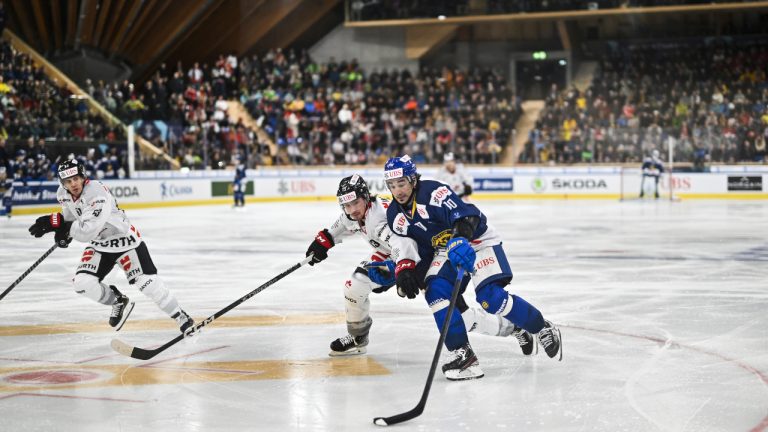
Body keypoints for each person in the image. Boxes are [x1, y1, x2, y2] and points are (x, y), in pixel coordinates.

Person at [384, 155, 562, 381]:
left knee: (490, 298)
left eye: (401, 184)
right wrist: (410, 272)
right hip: (447, 250)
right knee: (435, 291)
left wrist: (460, 237)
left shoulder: (433, 192)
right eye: (392, 186)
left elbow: (468, 216)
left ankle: (542, 326)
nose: (397, 190)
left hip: (477, 241)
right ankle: (464, 356)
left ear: (412, 180)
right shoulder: (394, 216)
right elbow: (421, 248)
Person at [306, 174, 526, 357]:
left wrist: (403, 268)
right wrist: (323, 241)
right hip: (394, 258)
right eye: (346, 205)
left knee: (462, 317)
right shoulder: (352, 214)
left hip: (419, 260)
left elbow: (402, 243)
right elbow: (340, 226)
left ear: (365, 198)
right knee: (354, 285)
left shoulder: (381, 216)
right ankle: (358, 336)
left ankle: (515, 327)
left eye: (355, 203)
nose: (352, 209)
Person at [27, 159, 194, 333]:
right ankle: (118, 301)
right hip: (99, 245)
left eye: (76, 178)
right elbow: (70, 218)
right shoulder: (62, 193)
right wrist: (64, 232)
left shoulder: (97, 193)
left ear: (83, 176)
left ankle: (181, 316)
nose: (73, 184)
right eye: (68, 181)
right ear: (63, 183)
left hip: (124, 242)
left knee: (147, 283)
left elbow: (87, 231)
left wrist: (58, 223)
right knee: (82, 283)